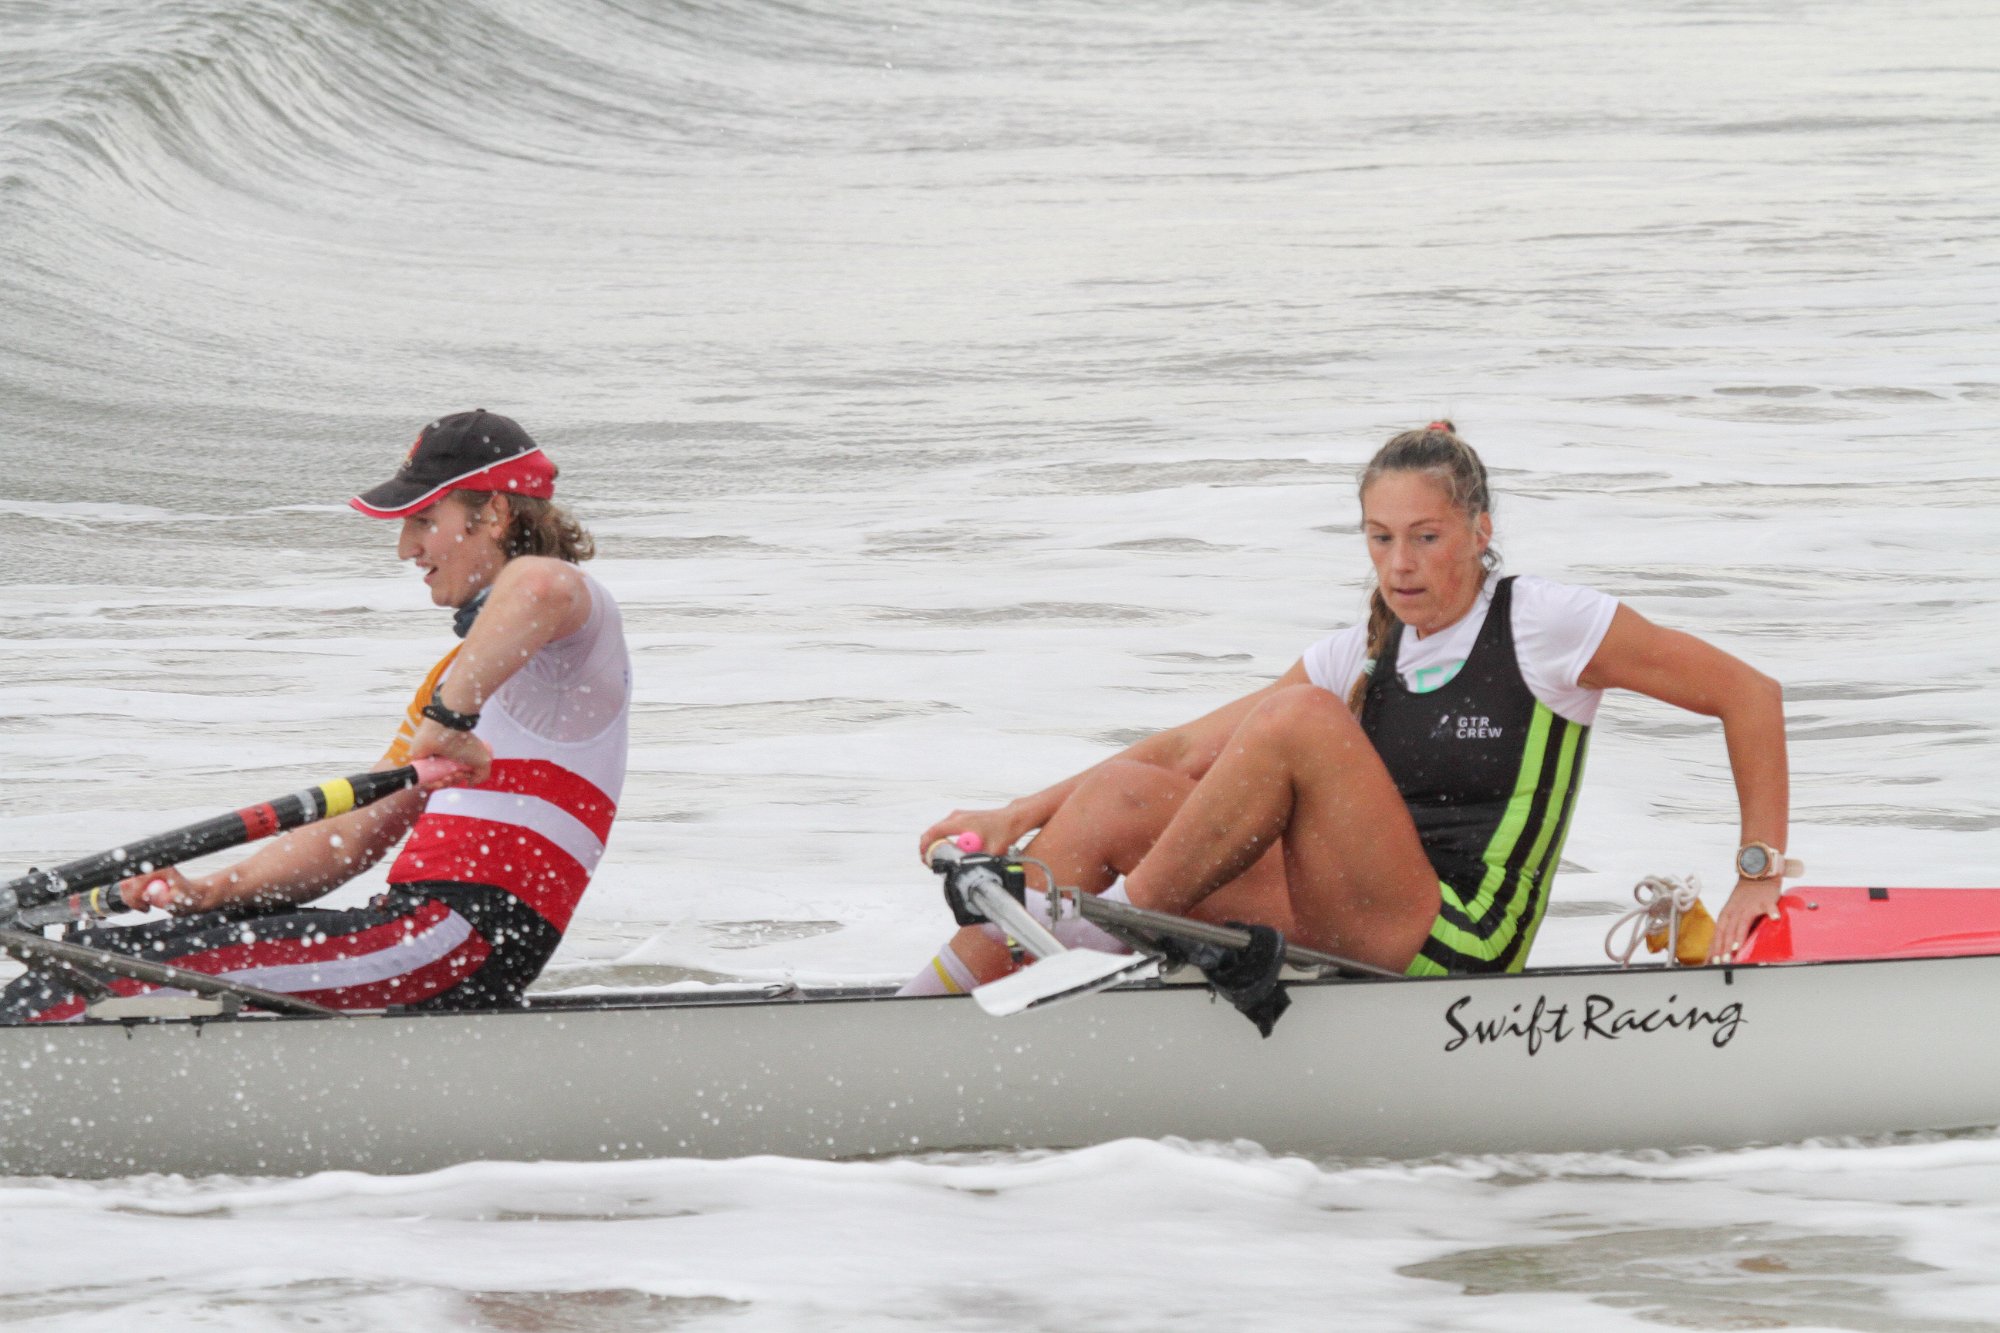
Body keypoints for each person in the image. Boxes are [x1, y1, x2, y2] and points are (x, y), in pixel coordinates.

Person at [902, 421, 1789, 995]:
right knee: (1125, 791)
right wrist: (1012, 814)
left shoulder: (1546, 623)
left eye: (1426, 537)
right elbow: (1179, 754)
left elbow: (1746, 694)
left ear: (1480, 531)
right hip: (1349, 919)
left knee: (1295, 721)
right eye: (1380, 538)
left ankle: (1100, 932)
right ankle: (924, 1012)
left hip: (1459, 945)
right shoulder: (1359, 651)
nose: (1400, 564)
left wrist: (1756, 870)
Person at [1, 410, 631, 1021]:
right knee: (90, 957)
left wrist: (451, 715)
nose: (406, 548)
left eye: (422, 519)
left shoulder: (572, 643)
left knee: (99, 976)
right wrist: (210, 893)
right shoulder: (454, 680)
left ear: (492, 513)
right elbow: (352, 838)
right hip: (417, 929)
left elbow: (541, 587)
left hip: (458, 938)